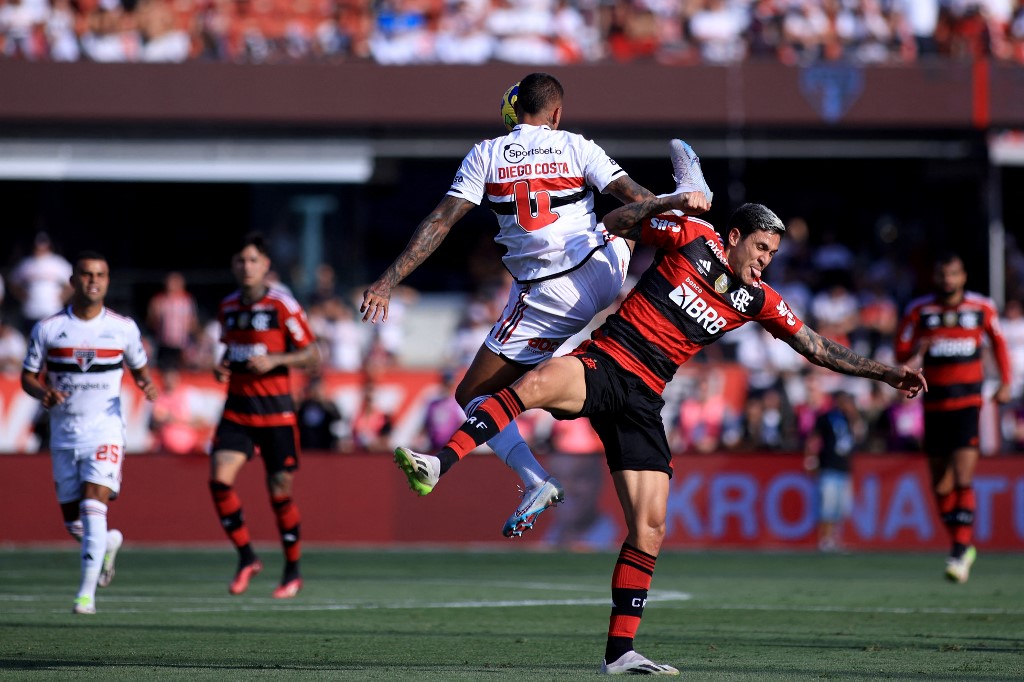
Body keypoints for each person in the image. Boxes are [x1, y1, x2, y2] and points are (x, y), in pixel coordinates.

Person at [394, 193, 927, 675]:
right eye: (761, 249)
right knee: (533, 384)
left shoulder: (760, 299)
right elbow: (616, 220)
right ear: (735, 237)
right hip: (605, 362)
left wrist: (884, 372)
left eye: (773, 255)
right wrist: (671, 203)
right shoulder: (691, 236)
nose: (766, 261)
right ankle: (441, 462)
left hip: (645, 401)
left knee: (650, 529)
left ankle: (620, 652)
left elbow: (816, 347)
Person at [361, 72, 710, 538]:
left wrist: (388, 280)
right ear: (557, 113)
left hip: (550, 294)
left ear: (512, 112)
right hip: (606, 268)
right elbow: (636, 201)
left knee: (472, 394)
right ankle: (687, 202)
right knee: (629, 219)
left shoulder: (485, 154)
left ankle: (535, 480)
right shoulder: (576, 145)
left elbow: (440, 223)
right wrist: (668, 205)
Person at [20, 250, 159, 615]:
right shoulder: (49, 329)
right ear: (73, 281)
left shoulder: (123, 328)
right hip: (65, 435)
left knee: (93, 504)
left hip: (106, 430)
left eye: (100, 275)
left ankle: (86, 595)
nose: (93, 281)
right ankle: (109, 543)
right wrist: (43, 392)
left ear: (107, 281)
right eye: (86, 274)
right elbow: (27, 377)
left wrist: (148, 385)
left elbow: (140, 366)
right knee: (74, 522)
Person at [208, 232, 320, 599]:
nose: (246, 266)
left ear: (266, 265)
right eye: (241, 260)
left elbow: (312, 355)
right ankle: (246, 557)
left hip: (276, 413)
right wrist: (223, 367)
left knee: (279, 492)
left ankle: (292, 570)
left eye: (253, 260)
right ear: (233, 266)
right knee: (219, 481)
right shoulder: (227, 307)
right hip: (238, 409)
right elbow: (232, 352)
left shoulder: (282, 305)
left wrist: (276, 360)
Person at [894, 252, 1011, 584]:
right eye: (943, 275)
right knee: (940, 485)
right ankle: (962, 544)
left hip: (967, 403)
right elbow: (901, 351)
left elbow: (999, 344)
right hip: (933, 406)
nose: (948, 280)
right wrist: (919, 344)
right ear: (936, 277)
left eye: (954, 274)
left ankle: (959, 551)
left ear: (963, 277)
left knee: (962, 476)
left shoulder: (981, 308)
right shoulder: (919, 311)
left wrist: (1005, 382)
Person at [803, 390, 863, 552]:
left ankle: (835, 539)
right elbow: (813, 438)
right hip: (828, 466)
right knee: (827, 507)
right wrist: (811, 458)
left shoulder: (850, 419)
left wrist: (854, 416)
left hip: (844, 468)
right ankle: (825, 539)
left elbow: (858, 437)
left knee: (840, 508)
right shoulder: (826, 417)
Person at [8, 231, 74, 336]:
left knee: (52, 341)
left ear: (48, 246)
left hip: (52, 310)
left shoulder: (57, 262)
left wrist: (62, 297)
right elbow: (13, 282)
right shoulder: (26, 263)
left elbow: (71, 283)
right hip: (31, 310)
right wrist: (22, 296)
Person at [146, 270, 201, 372]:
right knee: (163, 368)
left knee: (182, 369)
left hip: (182, 344)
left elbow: (193, 322)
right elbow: (151, 321)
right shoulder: (159, 300)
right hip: (164, 343)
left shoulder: (187, 300)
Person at [296, 376, 344, 452]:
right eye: (314, 389)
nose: (317, 392)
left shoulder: (329, 405)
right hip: (306, 445)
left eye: (319, 389)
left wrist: (324, 404)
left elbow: (338, 419)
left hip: (324, 445)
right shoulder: (305, 405)